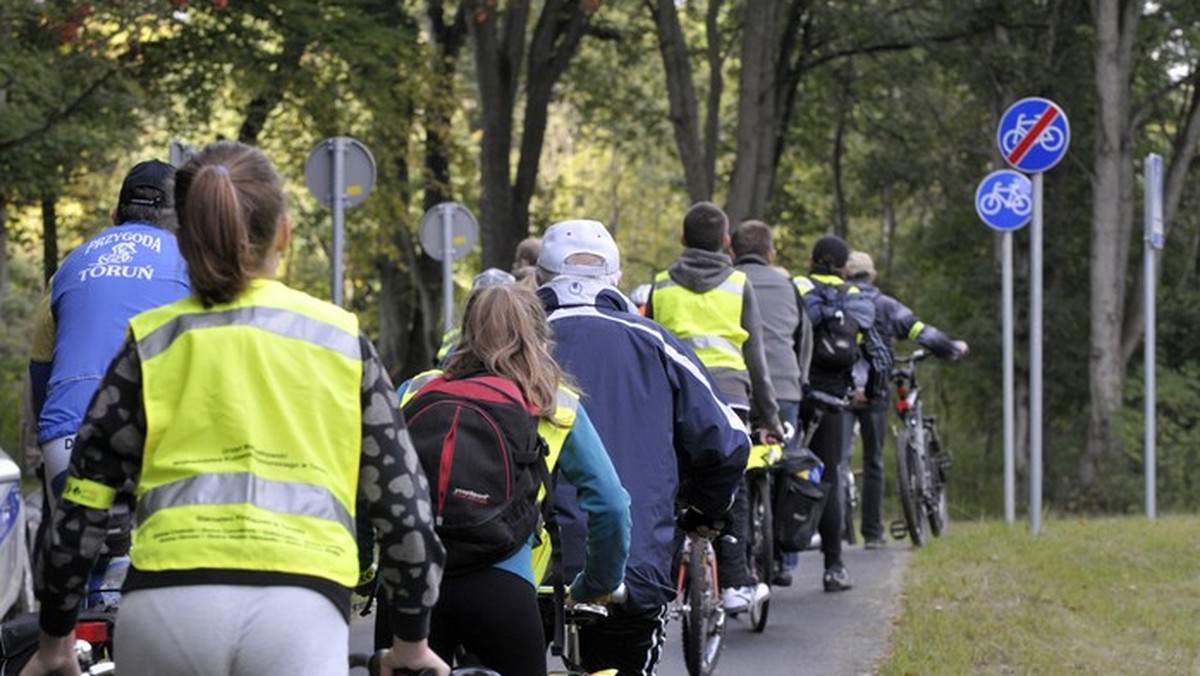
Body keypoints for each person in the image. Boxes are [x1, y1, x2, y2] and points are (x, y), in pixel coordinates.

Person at [22, 140, 449, 676]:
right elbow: (402, 505)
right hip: (301, 611)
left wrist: (55, 640)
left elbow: (82, 501)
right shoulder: (338, 340)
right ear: (285, 234)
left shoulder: (151, 340)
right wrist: (411, 639)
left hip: (167, 605)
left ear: (186, 241)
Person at [536, 218, 750, 676]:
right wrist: (704, 512)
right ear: (615, 280)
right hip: (630, 566)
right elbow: (728, 443)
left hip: (522, 569)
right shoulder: (655, 343)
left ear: (539, 281)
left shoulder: (510, 347)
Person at [387, 283, 631, 676]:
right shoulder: (553, 402)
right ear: (538, 335)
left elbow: (372, 486)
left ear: (466, 331)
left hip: (410, 583)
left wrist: (366, 572)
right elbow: (611, 505)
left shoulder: (414, 391)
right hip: (502, 587)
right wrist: (595, 584)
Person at [27, 159, 191, 609]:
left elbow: (41, 376)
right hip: (152, 444)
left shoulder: (70, 267)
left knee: (80, 567)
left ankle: (72, 637)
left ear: (115, 217)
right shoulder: (193, 264)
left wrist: (45, 455)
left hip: (67, 446)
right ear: (180, 221)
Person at [646, 202, 782, 612]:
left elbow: (649, 348)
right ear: (727, 243)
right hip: (730, 399)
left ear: (683, 240)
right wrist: (770, 416)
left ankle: (661, 587)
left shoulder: (661, 285)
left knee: (670, 486)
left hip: (674, 399)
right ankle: (735, 584)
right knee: (731, 483)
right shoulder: (739, 283)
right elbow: (756, 359)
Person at [842, 251, 969, 549]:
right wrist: (951, 348)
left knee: (838, 461)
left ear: (846, 275)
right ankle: (872, 533)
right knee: (873, 460)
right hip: (875, 390)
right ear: (872, 276)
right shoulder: (886, 306)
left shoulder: (838, 301)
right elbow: (920, 331)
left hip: (842, 391)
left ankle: (834, 533)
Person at [793, 235, 890, 592]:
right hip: (832, 401)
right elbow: (877, 355)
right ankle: (833, 567)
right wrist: (874, 392)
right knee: (827, 476)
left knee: (779, 469)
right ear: (845, 267)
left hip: (793, 394)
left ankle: (773, 559)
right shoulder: (856, 298)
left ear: (812, 258)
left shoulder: (797, 286)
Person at [730, 219, 813, 586]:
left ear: (732, 251)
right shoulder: (789, 286)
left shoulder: (727, 284)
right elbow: (804, 340)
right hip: (784, 388)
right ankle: (787, 560)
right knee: (786, 467)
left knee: (739, 470)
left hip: (738, 389)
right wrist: (800, 381)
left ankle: (741, 552)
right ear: (771, 253)